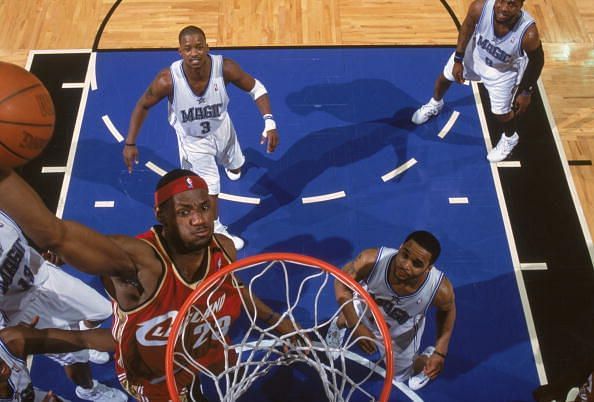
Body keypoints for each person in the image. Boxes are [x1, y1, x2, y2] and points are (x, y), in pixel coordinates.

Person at [0, 167, 296, 401]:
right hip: (152, 373)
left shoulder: (224, 248)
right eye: (184, 212)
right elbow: (56, 234)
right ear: (161, 215)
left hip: (198, 348)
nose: (198, 220)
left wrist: (279, 324)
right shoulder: (140, 262)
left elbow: (236, 288)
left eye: (204, 208)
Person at [123, 25, 281, 250]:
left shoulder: (224, 68)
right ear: (180, 51)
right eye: (188, 49)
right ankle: (217, 229)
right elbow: (142, 105)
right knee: (210, 188)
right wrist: (130, 142)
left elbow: (257, 88)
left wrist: (269, 121)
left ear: (207, 47)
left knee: (237, 166)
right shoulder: (167, 81)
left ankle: (232, 165)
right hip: (193, 141)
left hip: (222, 129)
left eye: (199, 47)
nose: (194, 53)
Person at [0, 210, 127, 402]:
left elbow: (22, 232)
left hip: (43, 277)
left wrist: (46, 251)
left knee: (103, 310)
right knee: (76, 358)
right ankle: (88, 389)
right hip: (22, 312)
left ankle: (82, 332)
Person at [411, 0, 544, 162]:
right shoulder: (479, 8)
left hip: (502, 71)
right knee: (444, 79)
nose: (504, 8)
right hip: (475, 54)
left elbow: (537, 61)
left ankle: (510, 138)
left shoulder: (529, 34)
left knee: (500, 113)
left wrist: (526, 91)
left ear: (520, 6)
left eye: (511, 4)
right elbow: (466, 27)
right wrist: (458, 59)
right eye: (501, 1)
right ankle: (435, 104)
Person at [326, 230, 456, 390]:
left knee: (400, 375)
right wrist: (356, 325)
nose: (405, 264)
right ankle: (339, 325)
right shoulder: (371, 260)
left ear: (428, 268)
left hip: (400, 334)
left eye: (416, 264)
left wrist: (440, 351)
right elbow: (341, 282)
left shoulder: (439, 289)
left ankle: (425, 359)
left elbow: (447, 311)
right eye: (405, 255)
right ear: (400, 247)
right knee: (347, 314)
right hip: (365, 309)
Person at [0, 316, 116, 402]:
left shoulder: (11, 341)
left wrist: (127, 342)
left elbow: (82, 339)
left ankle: (88, 390)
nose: (4, 367)